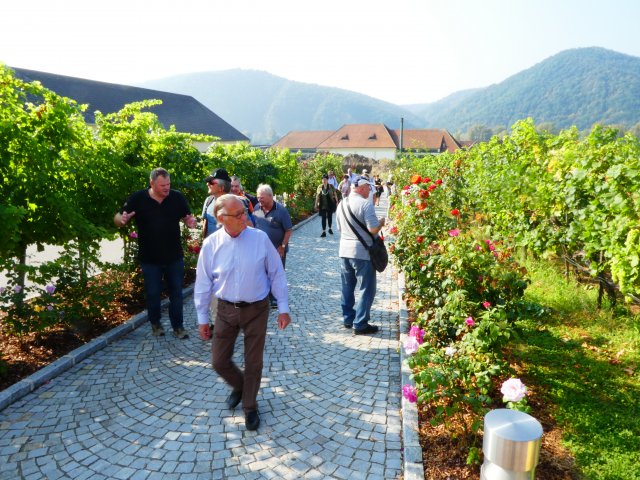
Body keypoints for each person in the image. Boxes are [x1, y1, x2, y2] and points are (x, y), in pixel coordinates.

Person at [194, 194, 291, 431]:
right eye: (237, 214)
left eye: (244, 212)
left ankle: (250, 406)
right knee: (218, 361)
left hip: (257, 308)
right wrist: (202, 319)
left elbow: (276, 273)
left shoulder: (259, 239)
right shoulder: (211, 244)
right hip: (226, 309)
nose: (244, 217)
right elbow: (203, 283)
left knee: (253, 361)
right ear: (221, 217)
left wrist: (283, 307)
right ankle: (240, 386)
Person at [114, 167, 197, 339]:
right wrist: (121, 220)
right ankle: (156, 323)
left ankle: (178, 327)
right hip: (150, 258)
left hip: (174, 256)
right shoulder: (138, 198)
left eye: (168, 184)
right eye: (162, 185)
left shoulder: (177, 197)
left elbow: (189, 217)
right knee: (153, 293)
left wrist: (191, 221)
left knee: (176, 293)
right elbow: (118, 217)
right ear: (152, 184)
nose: (166, 188)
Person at [335, 176, 386, 335]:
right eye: (368, 188)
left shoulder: (341, 204)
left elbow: (339, 229)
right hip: (362, 253)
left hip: (344, 252)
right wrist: (381, 223)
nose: (370, 190)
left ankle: (348, 319)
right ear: (362, 188)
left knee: (347, 287)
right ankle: (361, 323)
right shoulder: (365, 204)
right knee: (366, 288)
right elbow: (372, 230)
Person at [253, 184, 293, 307]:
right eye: (258, 197)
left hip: (277, 249)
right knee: (262, 273)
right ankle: (264, 297)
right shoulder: (256, 208)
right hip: (260, 249)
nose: (259, 199)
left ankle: (276, 298)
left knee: (276, 274)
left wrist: (282, 246)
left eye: (262, 197)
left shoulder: (281, 210)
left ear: (270, 196)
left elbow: (288, 230)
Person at [202, 168, 231, 239]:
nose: (207, 184)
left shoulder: (234, 204)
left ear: (221, 187)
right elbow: (205, 223)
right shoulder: (208, 201)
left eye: (211, 182)